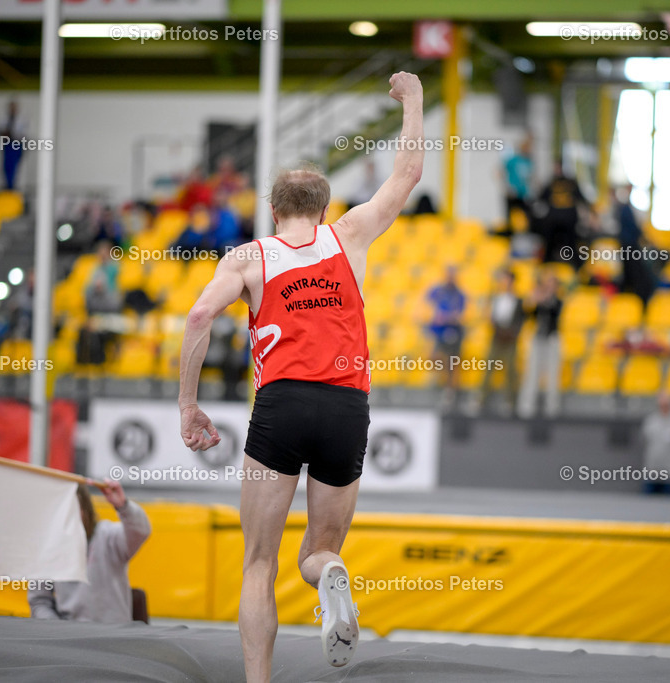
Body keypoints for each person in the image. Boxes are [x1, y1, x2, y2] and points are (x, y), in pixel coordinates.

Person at [177, 71, 424, 683]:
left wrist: (189, 406)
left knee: (258, 562)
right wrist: (413, 100)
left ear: (273, 210)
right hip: (347, 407)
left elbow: (200, 314)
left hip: (281, 406)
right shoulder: (350, 235)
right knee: (319, 551)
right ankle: (331, 578)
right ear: (324, 207)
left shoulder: (249, 256)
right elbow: (407, 176)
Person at [27, 479, 151, 623]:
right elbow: (39, 602)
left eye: (72, 508)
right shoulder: (47, 548)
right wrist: (58, 629)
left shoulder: (107, 536)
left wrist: (123, 506)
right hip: (70, 636)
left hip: (113, 634)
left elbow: (141, 531)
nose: (67, 516)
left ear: (85, 509)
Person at [478, 269, 524, 415]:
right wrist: (498, 329)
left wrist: (512, 332)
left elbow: (520, 319)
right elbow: (491, 317)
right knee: (489, 367)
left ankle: (510, 401)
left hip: (510, 338)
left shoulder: (518, 300)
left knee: (510, 369)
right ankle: (481, 399)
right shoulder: (496, 298)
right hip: (497, 336)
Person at [517, 270, 562, 418]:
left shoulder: (557, 301)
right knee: (532, 373)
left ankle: (552, 408)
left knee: (552, 375)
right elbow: (529, 315)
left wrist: (544, 299)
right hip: (538, 338)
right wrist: (534, 300)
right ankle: (526, 407)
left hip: (552, 339)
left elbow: (555, 312)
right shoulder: (540, 300)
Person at [538, 159, 590, 268]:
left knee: (572, 243)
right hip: (554, 221)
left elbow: (581, 198)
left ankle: (576, 265)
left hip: (568, 220)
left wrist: (591, 211)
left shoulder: (571, 183)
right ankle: (546, 262)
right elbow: (540, 198)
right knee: (549, 241)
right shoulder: (551, 183)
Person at [427, 265, 467, 407]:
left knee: (452, 363)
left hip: (454, 332)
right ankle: (436, 381)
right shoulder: (437, 290)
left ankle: (449, 391)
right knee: (435, 356)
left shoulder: (460, 294)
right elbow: (425, 307)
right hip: (437, 332)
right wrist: (435, 316)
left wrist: (448, 317)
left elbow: (462, 315)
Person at [0, 100, 28, 190]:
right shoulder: (3, 119)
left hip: (16, 143)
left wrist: (12, 134)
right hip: (7, 144)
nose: (12, 109)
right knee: (6, 166)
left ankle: (13, 185)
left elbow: (22, 133)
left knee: (15, 166)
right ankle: (7, 185)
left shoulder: (22, 120)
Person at [502, 134, 534, 225]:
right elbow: (500, 173)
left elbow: (529, 177)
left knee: (528, 215)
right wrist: (507, 187)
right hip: (513, 192)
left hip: (523, 193)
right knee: (510, 217)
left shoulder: (529, 161)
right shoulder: (513, 160)